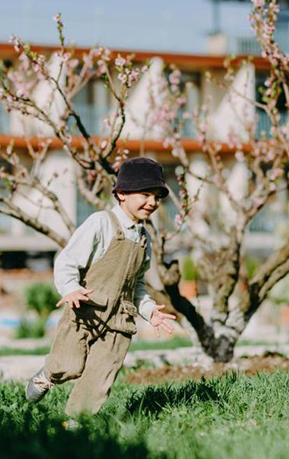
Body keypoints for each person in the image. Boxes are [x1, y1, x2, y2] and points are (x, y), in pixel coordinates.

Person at [25, 157, 177, 421]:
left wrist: (150, 311)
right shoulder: (100, 223)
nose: (152, 202)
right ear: (121, 194)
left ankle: (76, 423)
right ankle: (49, 374)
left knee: (100, 376)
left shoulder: (144, 238)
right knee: (69, 365)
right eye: (145, 194)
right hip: (86, 310)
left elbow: (137, 284)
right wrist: (70, 288)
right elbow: (67, 261)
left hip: (120, 321)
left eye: (156, 196)